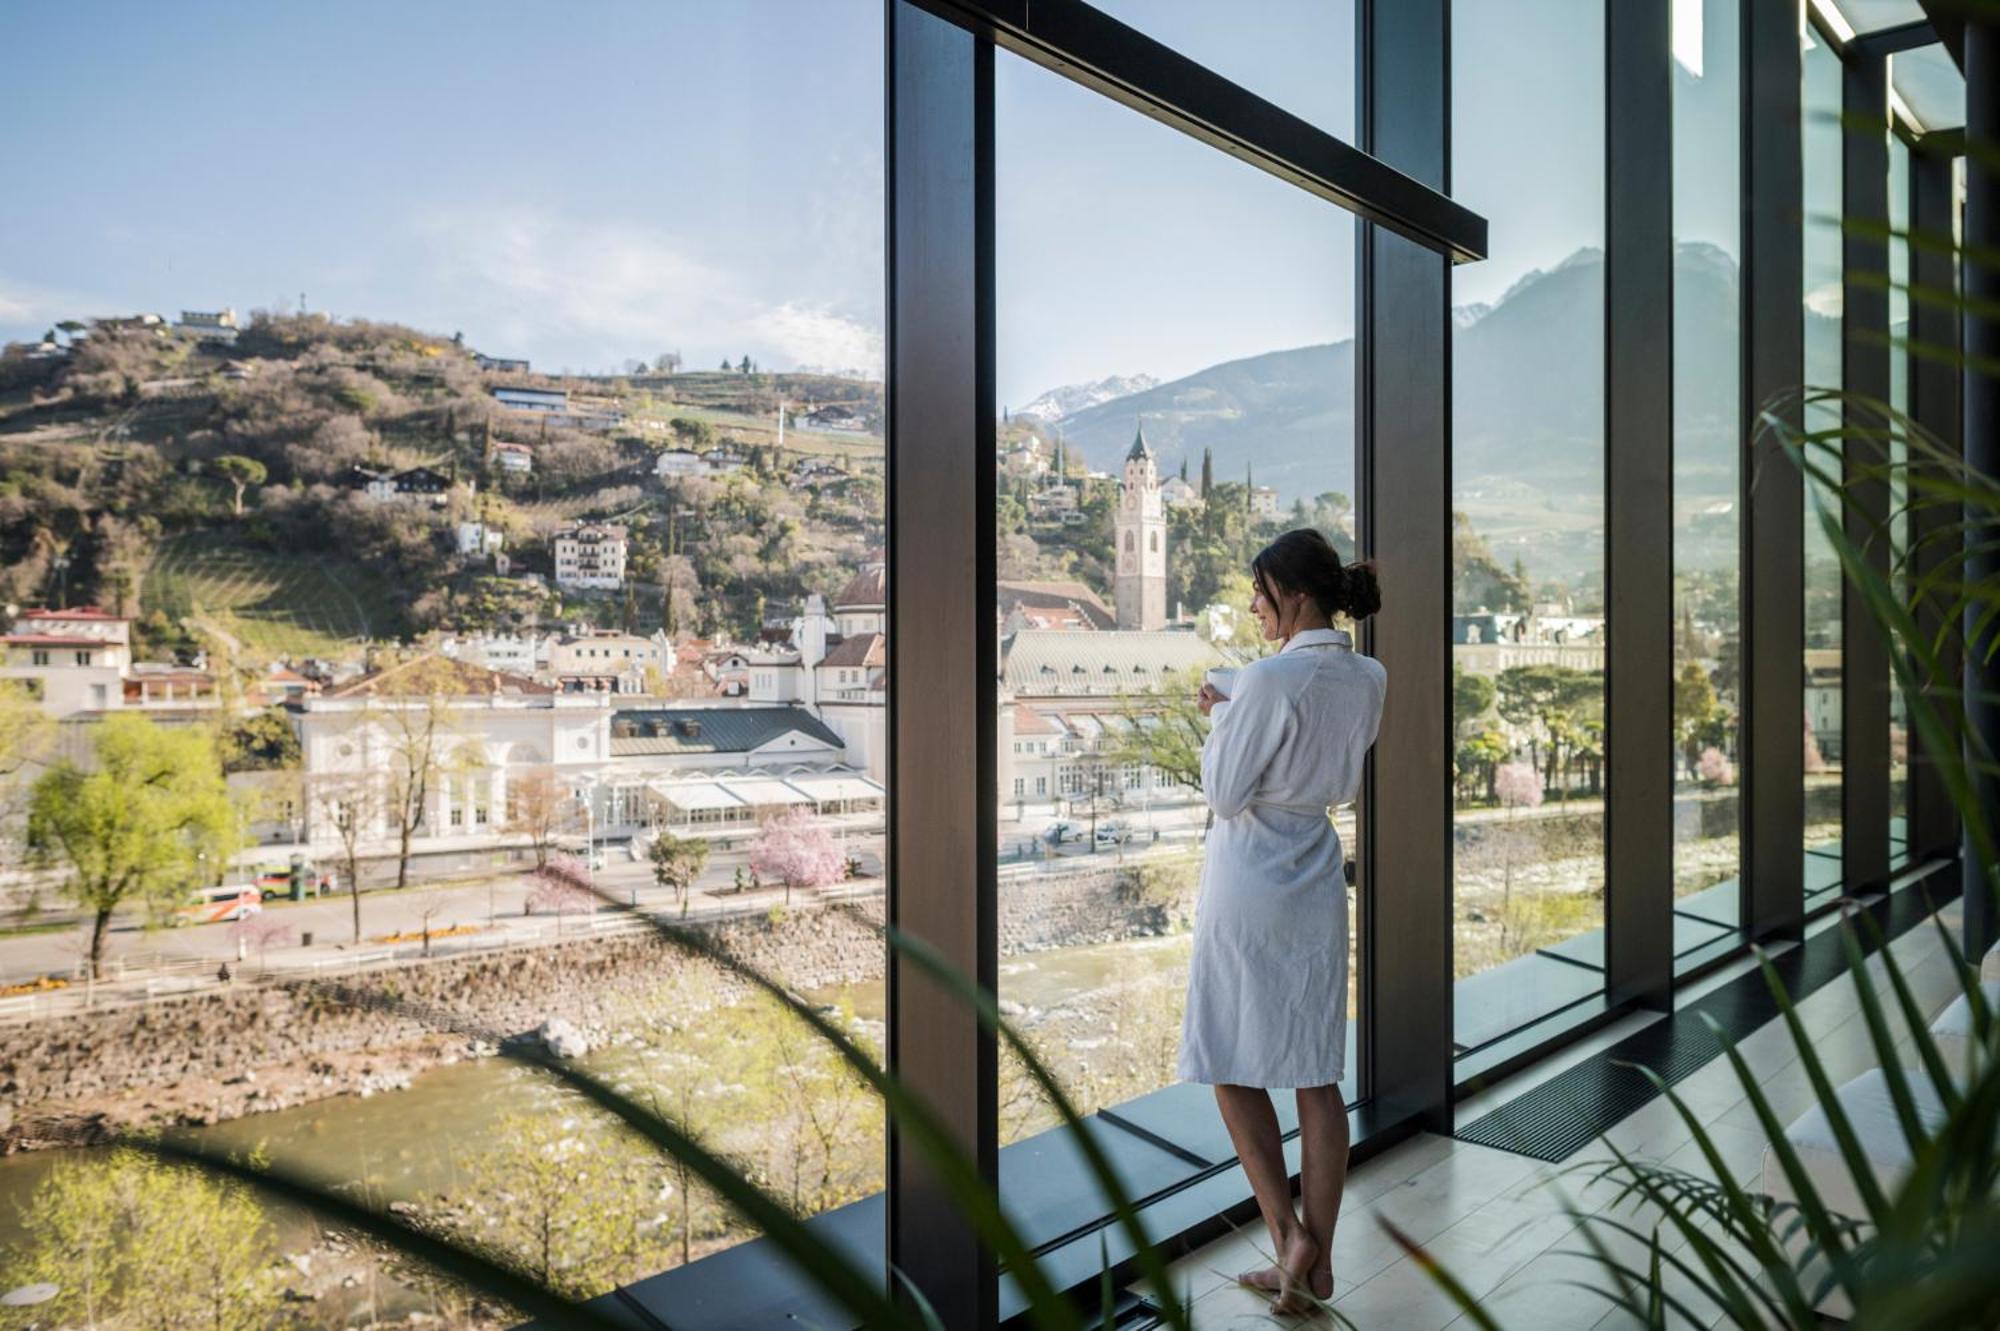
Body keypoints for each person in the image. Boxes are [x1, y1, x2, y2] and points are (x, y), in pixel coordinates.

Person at [1176, 527, 1386, 1314]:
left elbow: (1225, 792)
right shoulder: (1369, 675)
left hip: (1250, 876)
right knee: (1314, 1072)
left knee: (1230, 1062)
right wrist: (1241, 700)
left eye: (1261, 592)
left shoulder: (1264, 680)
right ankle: (1315, 1268)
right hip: (1315, 871)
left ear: (1294, 595)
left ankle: (1286, 1232)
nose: (1254, 605)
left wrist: (1222, 718)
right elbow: (1309, 718)